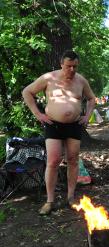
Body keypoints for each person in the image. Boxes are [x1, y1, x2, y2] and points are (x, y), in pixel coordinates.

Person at [22, 50, 96, 215]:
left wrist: (87, 115)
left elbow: (92, 98)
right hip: (53, 124)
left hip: (74, 125)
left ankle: (70, 197)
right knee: (53, 161)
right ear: (61, 64)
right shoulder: (49, 78)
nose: (71, 70)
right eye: (68, 66)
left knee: (73, 160)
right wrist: (38, 114)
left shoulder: (81, 80)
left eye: (75, 66)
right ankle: (50, 200)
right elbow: (27, 92)